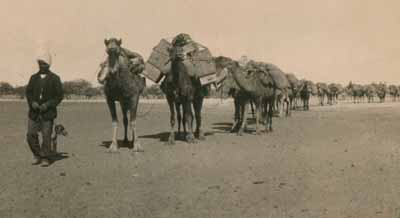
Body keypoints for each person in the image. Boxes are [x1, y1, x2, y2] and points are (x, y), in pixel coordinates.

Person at [26, 53, 64, 166]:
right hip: (34, 113)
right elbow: (28, 93)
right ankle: (37, 155)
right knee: (30, 135)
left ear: (48, 65)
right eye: (39, 63)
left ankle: (45, 157)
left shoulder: (55, 78)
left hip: (48, 113)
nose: (41, 65)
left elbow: (59, 96)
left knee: (46, 136)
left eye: (44, 64)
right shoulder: (33, 78)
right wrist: (32, 102)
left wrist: (48, 105)